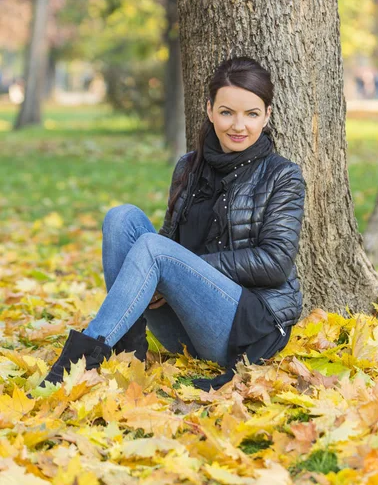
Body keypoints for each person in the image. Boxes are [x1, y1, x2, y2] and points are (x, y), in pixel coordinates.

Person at [32, 56, 306, 394]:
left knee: (155, 250)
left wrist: (181, 267)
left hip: (244, 330)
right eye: (226, 112)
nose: (239, 125)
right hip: (185, 327)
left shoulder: (283, 175)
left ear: (266, 115)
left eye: (251, 114)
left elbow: (276, 263)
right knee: (121, 218)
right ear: (209, 110)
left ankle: (78, 364)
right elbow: (169, 238)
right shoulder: (189, 166)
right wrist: (167, 270)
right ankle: (128, 352)